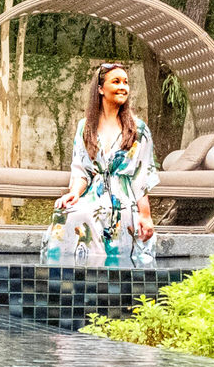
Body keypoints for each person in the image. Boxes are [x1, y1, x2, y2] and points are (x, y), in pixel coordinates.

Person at [41, 62, 159, 266]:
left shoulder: (138, 129)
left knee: (117, 217)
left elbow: (141, 176)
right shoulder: (85, 126)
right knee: (69, 213)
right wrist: (74, 193)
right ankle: (72, 274)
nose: (123, 87)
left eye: (126, 82)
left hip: (124, 197)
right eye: (116, 82)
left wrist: (145, 215)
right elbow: (81, 171)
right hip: (94, 195)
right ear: (100, 89)